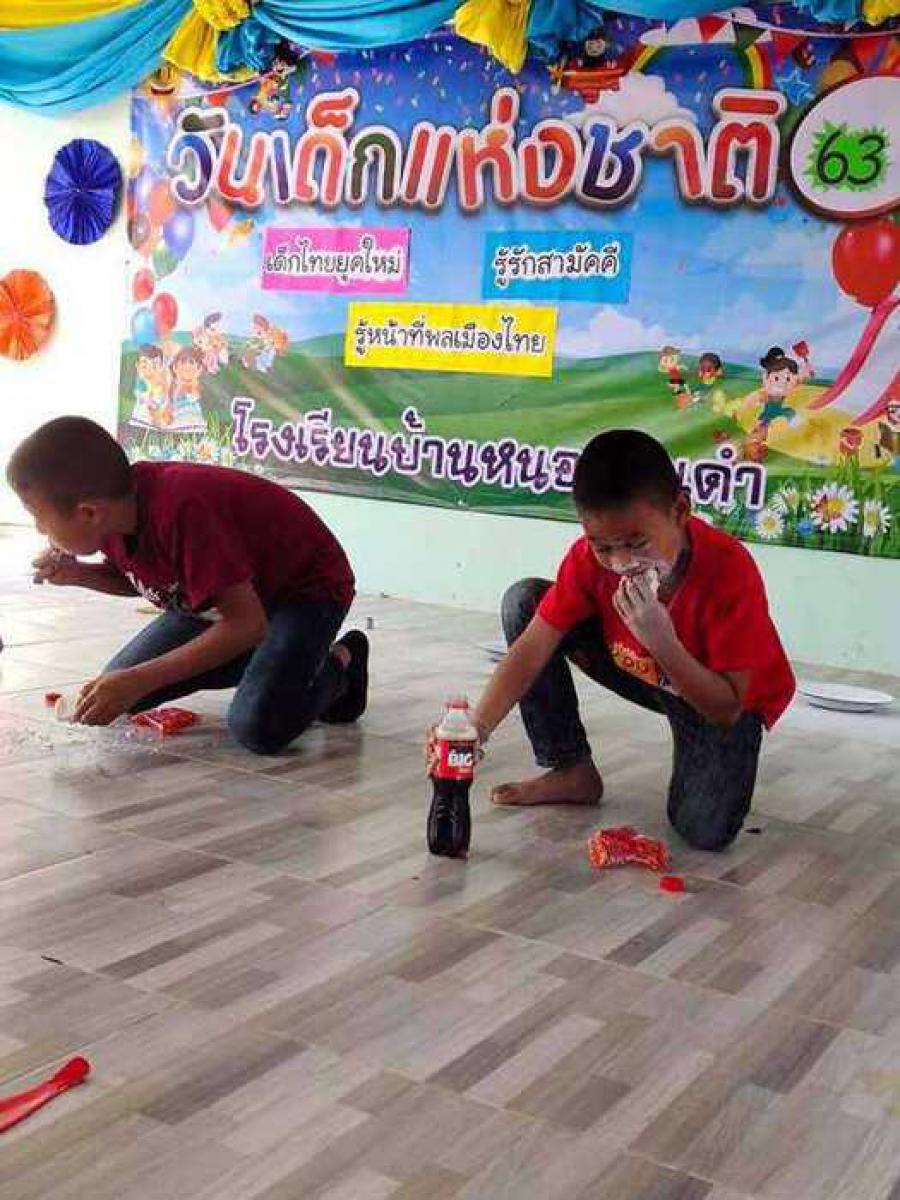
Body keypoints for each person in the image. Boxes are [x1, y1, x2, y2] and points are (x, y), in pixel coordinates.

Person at [458, 429, 795, 852]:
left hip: (719, 700)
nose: (621, 562)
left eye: (637, 543)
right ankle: (571, 769)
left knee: (703, 831)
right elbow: (532, 649)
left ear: (680, 511)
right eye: (603, 547)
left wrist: (662, 642)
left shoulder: (728, 571)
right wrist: (476, 728)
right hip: (640, 667)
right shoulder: (587, 560)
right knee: (525, 601)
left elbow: (726, 708)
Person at [6, 417, 368, 753]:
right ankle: (271, 660)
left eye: (39, 518)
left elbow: (246, 624)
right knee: (119, 691)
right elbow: (150, 579)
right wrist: (79, 575)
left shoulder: (184, 510)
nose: (40, 530)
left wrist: (139, 678)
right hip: (233, 599)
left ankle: (340, 660)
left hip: (303, 592)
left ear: (88, 513)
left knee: (258, 725)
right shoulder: (116, 513)